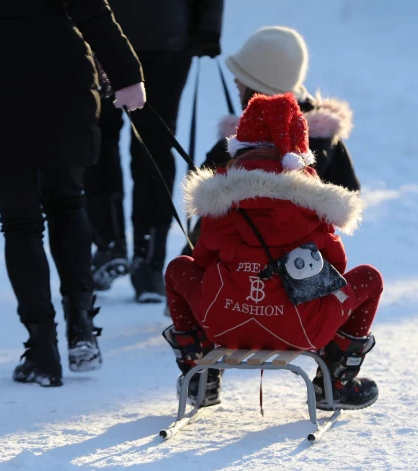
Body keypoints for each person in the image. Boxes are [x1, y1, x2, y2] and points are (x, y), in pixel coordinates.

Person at [0, 0, 145, 387]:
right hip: (61, 73)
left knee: (19, 222)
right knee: (68, 201)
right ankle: (81, 325)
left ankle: (41, 350)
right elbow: (92, 10)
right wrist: (127, 74)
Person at [163, 93, 383, 410]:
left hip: (223, 322)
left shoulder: (220, 199)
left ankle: (200, 376)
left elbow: (201, 261)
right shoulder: (313, 200)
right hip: (303, 328)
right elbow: (336, 264)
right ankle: (336, 381)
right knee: (369, 279)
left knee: (178, 269)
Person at [84, 0, 224, 303]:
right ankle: (148, 260)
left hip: (100, 31)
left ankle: (109, 243)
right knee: (154, 146)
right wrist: (207, 27)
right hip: (166, 34)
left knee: (99, 140)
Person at [180, 26, 360, 258]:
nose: (235, 81)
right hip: (300, 266)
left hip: (239, 265)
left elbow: (205, 196)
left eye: (242, 78)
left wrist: (189, 259)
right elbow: (349, 188)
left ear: (260, 86)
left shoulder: (242, 144)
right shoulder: (324, 138)